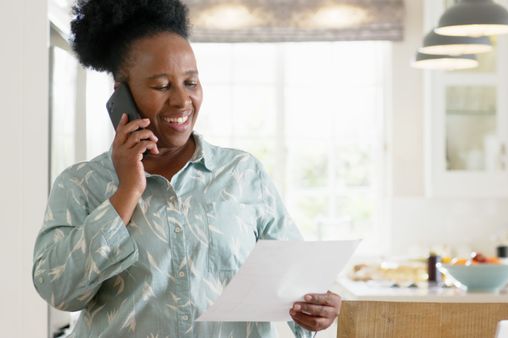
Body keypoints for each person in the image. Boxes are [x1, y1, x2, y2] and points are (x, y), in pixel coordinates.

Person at [32, 0, 341, 337]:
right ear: (121, 96)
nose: (182, 101)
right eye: (162, 86)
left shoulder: (242, 173)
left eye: (190, 83)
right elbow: (58, 290)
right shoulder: (80, 184)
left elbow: (293, 289)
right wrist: (127, 192)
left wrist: (315, 310)